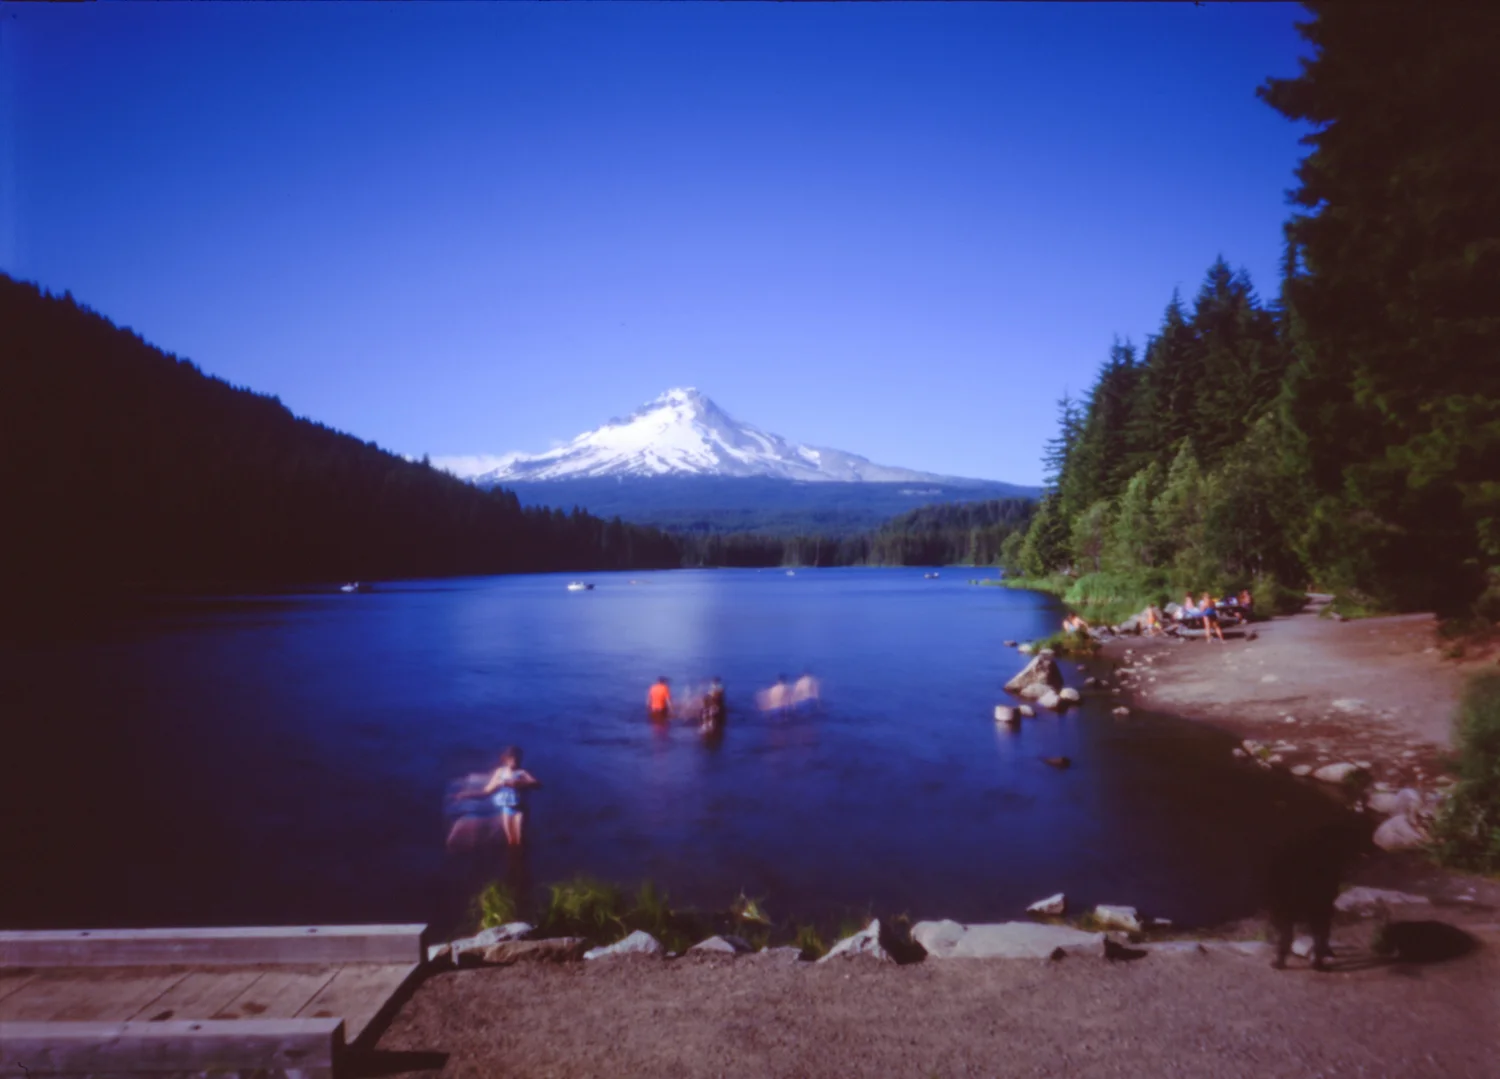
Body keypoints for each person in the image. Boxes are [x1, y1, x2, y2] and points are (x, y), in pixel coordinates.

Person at [449, 746, 542, 849]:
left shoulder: (522, 772)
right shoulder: (500, 772)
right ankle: (513, 860)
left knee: (519, 838)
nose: (514, 762)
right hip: (506, 809)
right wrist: (466, 794)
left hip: (520, 809)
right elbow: (487, 791)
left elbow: (537, 784)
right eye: (511, 759)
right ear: (505, 759)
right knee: (511, 840)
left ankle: (520, 859)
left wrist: (518, 783)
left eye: (517, 759)